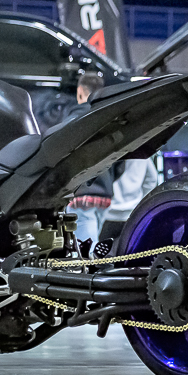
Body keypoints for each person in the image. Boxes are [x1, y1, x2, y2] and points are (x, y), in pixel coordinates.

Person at [63, 71, 113, 245]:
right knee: (92, 238)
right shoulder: (109, 118)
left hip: (81, 193)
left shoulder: (74, 119)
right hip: (105, 193)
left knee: (85, 248)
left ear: (80, 92)